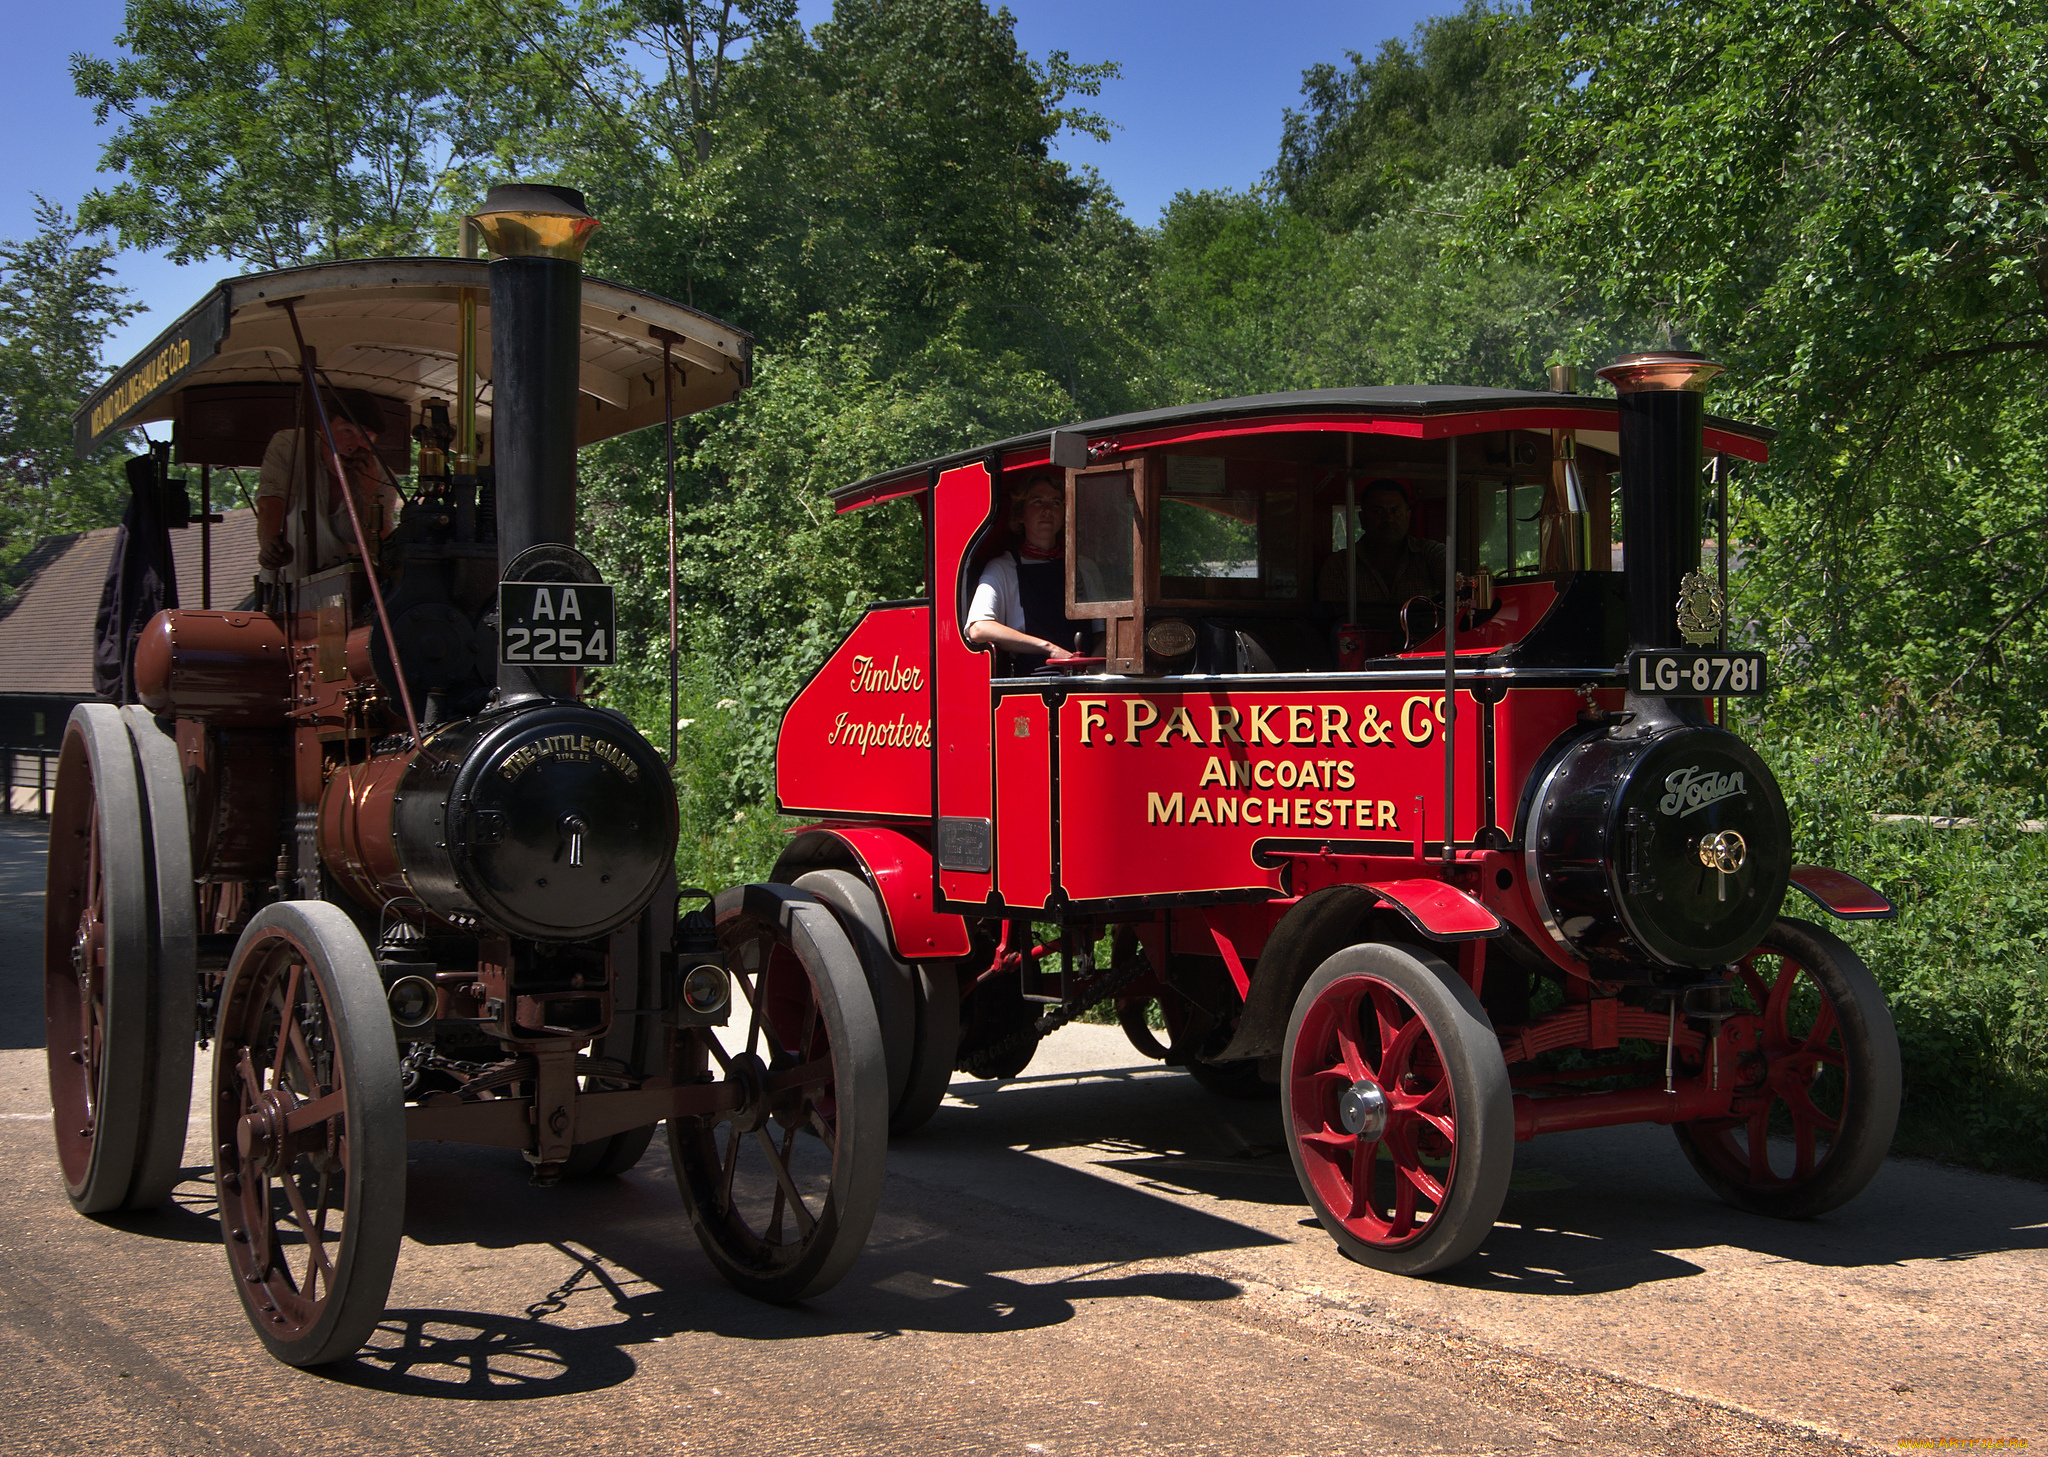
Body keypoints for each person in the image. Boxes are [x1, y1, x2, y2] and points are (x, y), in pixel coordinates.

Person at [255, 393, 399, 577]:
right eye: (347, 431)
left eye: (366, 437)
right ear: (324, 428)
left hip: (345, 592)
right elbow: (271, 503)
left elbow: (381, 551)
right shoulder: (291, 446)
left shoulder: (382, 479)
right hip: (288, 586)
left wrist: (369, 493)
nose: (354, 445)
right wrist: (270, 544)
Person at [965, 474, 1091, 673]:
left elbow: (1104, 631)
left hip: (1086, 679)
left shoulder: (1085, 567)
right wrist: (1049, 648)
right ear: (1019, 515)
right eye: (1037, 501)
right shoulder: (1002, 568)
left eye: (1056, 503)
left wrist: (1092, 667)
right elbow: (978, 627)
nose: (1047, 510)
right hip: (1035, 682)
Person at [1318, 478, 1447, 608]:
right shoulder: (1339, 566)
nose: (1388, 519)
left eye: (1395, 511)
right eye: (1378, 512)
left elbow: (1459, 588)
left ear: (1408, 516)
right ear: (1362, 519)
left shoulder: (1431, 554)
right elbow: (1330, 619)